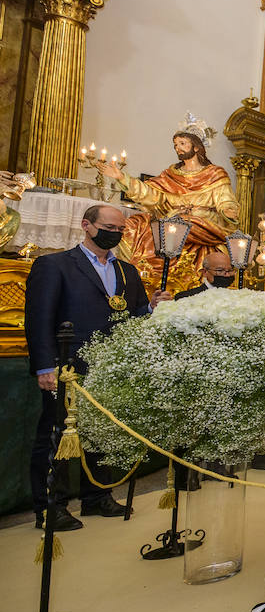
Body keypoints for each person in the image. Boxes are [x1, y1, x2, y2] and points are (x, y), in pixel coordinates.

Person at [25, 205, 169, 531]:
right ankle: (51, 506)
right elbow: (38, 320)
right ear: (86, 225)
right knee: (56, 437)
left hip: (110, 368)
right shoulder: (55, 265)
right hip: (67, 368)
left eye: (120, 228)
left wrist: (151, 308)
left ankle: (98, 497)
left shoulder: (127, 272)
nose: (115, 233)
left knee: (102, 436)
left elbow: (131, 318)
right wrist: (45, 366)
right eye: (109, 226)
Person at [93, 113, 240, 277]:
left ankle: (166, 273)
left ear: (197, 147)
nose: (178, 148)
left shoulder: (215, 173)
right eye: (176, 144)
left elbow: (226, 200)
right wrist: (122, 177)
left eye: (183, 143)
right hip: (172, 220)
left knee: (178, 225)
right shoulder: (170, 174)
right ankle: (140, 275)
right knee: (133, 224)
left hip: (204, 222)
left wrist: (228, 210)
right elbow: (153, 195)